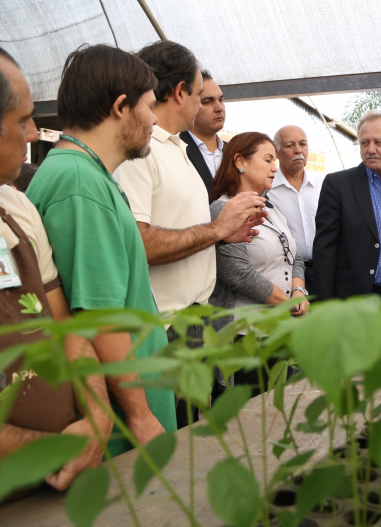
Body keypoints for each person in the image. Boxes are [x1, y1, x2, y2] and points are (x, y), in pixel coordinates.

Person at [0, 34, 111, 516]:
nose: (33, 133)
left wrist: (97, 414)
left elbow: (64, 327)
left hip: (61, 489)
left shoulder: (12, 205)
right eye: (23, 119)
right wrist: (49, 449)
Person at [26, 44, 177, 454]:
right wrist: (142, 417)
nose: (154, 119)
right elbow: (99, 318)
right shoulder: (80, 184)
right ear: (120, 107)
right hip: (123, 432)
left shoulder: (87, 175)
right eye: (148, 106)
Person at [112, 41, 266, 426]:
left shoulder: (177, 148)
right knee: (174, 441)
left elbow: (183, 230)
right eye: (200, 95)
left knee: (194, 437)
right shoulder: (140, 153)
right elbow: (138, 240)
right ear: (179, 92)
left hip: (196, 321)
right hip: (166, 327)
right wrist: (216, 228)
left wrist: (222, 234)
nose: (204, 105)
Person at [313, 111, 381, 300]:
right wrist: (325, 305)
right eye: (364, 142)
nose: (371, 149)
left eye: (378, 142)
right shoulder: (337, 185)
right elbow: (324, 251)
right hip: (355, 301)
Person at [207, 132, 308, 331]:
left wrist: (298, 291)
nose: (275, 168)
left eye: (275, 161)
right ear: (240, 161)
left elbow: (294, 255)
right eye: (268, 160)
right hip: (244, 330)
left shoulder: (272, 208)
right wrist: (288, 303)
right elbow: (239, 275)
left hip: (283, 325)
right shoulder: (222, 209)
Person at [270, 125, 323, 293]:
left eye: (303, 144)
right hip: (286, 275)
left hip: (324, 272)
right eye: (289, 145)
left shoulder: (323, 186)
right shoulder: (268, 189)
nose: (298, 150)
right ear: (277, 152)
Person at [179, 70, 225, 191]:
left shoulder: (235, 151)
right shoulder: (176, 148)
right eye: (207, 102)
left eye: (221, 100)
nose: (219, 108)